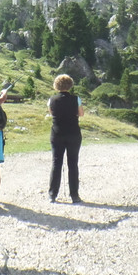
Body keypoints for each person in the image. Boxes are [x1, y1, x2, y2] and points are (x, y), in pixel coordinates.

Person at [47, 73, 84, 203]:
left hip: (57, 133)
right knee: (73, 164)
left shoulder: (52, 100)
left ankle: (52, 194)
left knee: (56, 163)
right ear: (70, 85)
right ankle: (74, 195)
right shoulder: (76, 99)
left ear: (56, 85)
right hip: (73, 133)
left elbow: (52, 113)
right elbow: (81, 114)